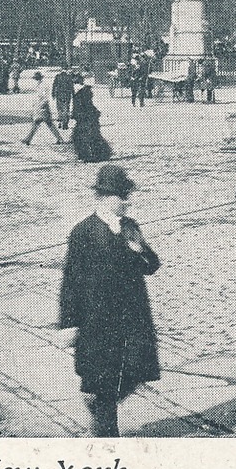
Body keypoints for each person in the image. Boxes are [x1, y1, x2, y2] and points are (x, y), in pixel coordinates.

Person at [57, 164, 161, 437]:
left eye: (127, 195)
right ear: (103, 198)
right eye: (120, 196)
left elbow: (152, 265)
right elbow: (71, 279)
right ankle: (106, 438)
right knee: (104, 381)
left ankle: (100, 407)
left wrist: (138, 249)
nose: (126, 201)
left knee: (136, 372)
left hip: (132, 318)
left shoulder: (130, 227)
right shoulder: (83, 232)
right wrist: (69, 323)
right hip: (98, 321)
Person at [69, 79, 112, 163]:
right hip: (86, 117)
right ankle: (94, 154)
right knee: (86, 136)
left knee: (87, 137)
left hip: (87, 118)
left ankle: (91, 155)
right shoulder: (82, 92)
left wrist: (78, 115)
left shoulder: (83, 93)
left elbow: (86, 105)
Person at [23, 72, 64, 145]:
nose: (36, 80)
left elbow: (45, 98)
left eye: (37, 78)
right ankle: (28, 139)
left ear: (39, 78)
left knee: (44, 123)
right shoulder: (38, 85)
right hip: (39, 107)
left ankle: (28, 139)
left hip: (43, 107)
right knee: (41, 123)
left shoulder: (43, 86)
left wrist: (41, 106)